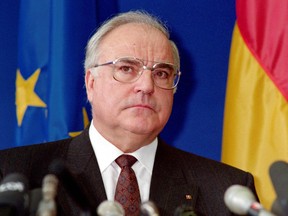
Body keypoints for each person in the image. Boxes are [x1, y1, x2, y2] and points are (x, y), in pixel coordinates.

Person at [0, 11, 258, 215]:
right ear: (91, 83)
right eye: (126, 69)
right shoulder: (15, 174)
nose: (146, 86)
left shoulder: (227, 191)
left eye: (161, 73)